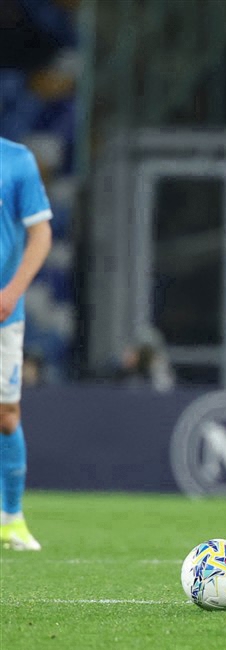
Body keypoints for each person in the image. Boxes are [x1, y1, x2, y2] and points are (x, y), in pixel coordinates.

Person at [0, 137, 54, 551]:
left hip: (3, 310)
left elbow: (40, 233)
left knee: (6, 415)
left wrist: (12, 293)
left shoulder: (16, 160)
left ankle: (12, 519)